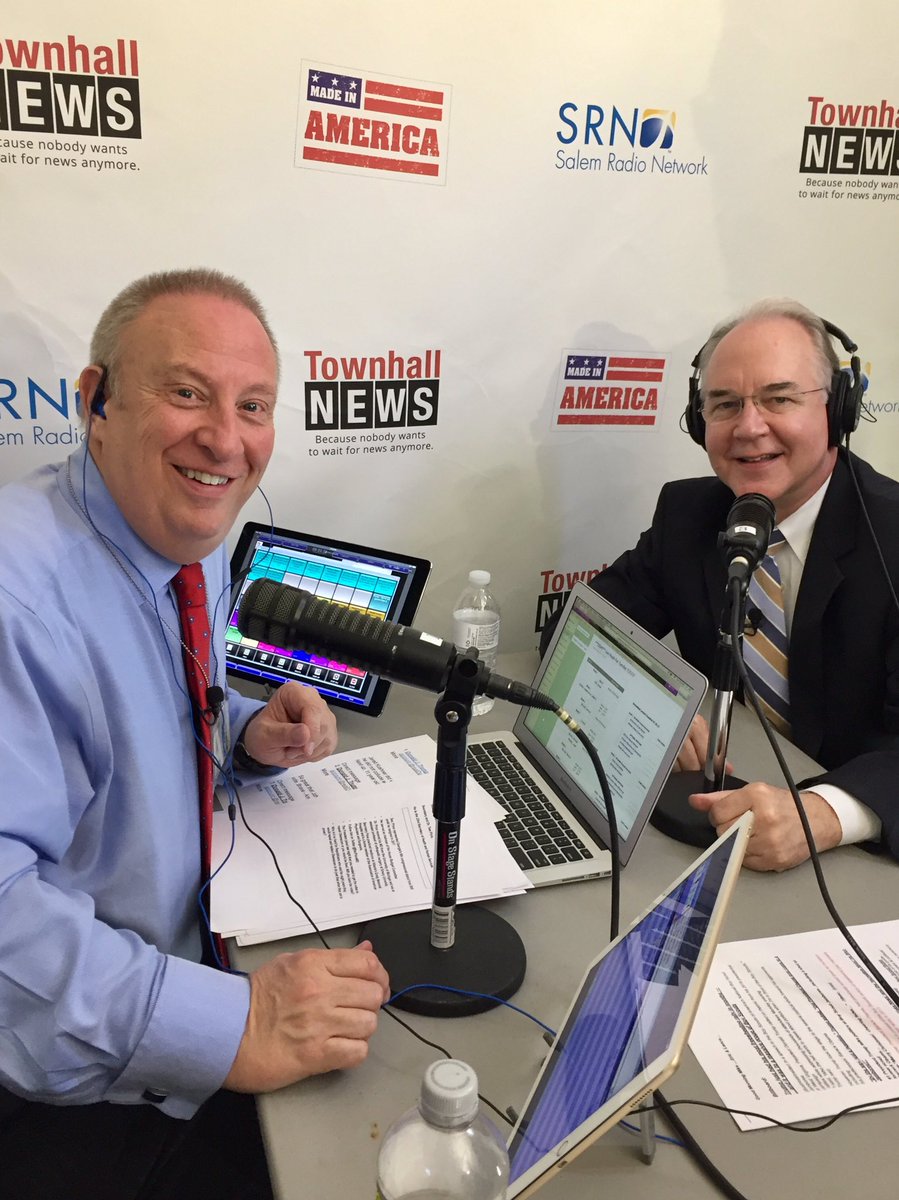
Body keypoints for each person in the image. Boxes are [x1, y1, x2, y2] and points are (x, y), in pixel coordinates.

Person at [0, 269, 390, 1199]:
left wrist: (245, 735)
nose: (224, 438)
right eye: (185, 393)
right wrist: (235, 1024)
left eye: (252, 405)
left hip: (194, 963)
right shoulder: (18, 596)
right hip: (73, 1083)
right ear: (96, 402)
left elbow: (149, 719)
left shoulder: (183, 535)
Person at [545, 299, 899, 872]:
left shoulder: (893, 536)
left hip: (858, 864)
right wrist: (653, 706)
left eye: (779, 398)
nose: (749, 427)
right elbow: (578, 630)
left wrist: (826, 814)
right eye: (726, 404)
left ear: (838, 409)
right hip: (714, 823)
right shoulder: (688, 513)